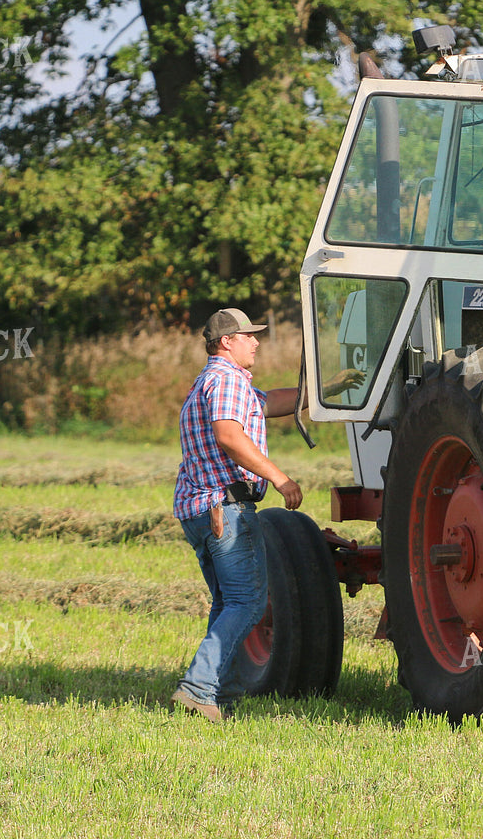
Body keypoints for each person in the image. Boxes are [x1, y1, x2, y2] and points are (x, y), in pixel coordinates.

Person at [170, 307, 305, 723]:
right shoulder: (227, 380)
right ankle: (197, 687)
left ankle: (220, 694)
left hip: (200, 510)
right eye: (248, 335)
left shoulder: (211, 382)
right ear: (226, 341)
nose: (256, 341)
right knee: (247, 603)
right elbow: (230, 435)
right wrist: (281, 479)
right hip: (225, 510)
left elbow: (268, 404)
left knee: (227, 602)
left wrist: (324, 390)